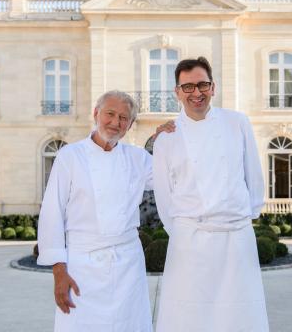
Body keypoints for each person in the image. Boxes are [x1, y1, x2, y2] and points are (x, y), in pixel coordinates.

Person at [152, 57, 269, 331]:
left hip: (236, 236)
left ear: (213, 87)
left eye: (203, 84)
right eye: (188, 87)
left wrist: (245, 217)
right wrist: (183, 230)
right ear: (177, 92)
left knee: (240, 315)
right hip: (190, 240)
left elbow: (253, 174)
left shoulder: (237, 122)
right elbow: (164, 196)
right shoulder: (166, 137)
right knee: (188, 316)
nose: (197, 93)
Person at [38, 90, 163, 332]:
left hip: (127, 265)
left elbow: (174, 178)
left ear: (130, 125)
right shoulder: (69, 156)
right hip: (81, 268)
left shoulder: (138, 158)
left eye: (124, 118)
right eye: (110, 114)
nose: (116, 123)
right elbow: (52, 212)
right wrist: (59, 272)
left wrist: (170, 138)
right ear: (96, 114)